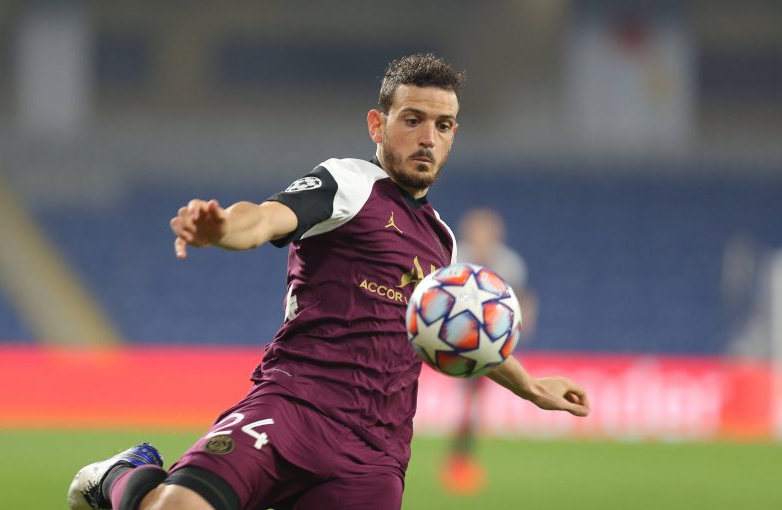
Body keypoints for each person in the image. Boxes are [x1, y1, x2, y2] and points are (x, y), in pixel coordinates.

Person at [68, 53, 589, 510]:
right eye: (413, 120)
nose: (428, 138)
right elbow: (265, 218)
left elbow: (465, 332)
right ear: (377, 125)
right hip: (294, 408)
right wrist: (222, 227)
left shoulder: (443, 243)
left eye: (444, 125)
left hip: (376, 453)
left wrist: (530, 386)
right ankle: (123, 474)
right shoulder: (350, 183)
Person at [440, 207, 540, 494]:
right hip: (447, 339)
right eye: (478, 231)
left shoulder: (509, 264)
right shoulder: (455, 255)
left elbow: (522, 299)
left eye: (488, 232)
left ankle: (460, 459)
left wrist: (521, 326)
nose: (482, 237)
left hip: (486, 345)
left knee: (472, 404)